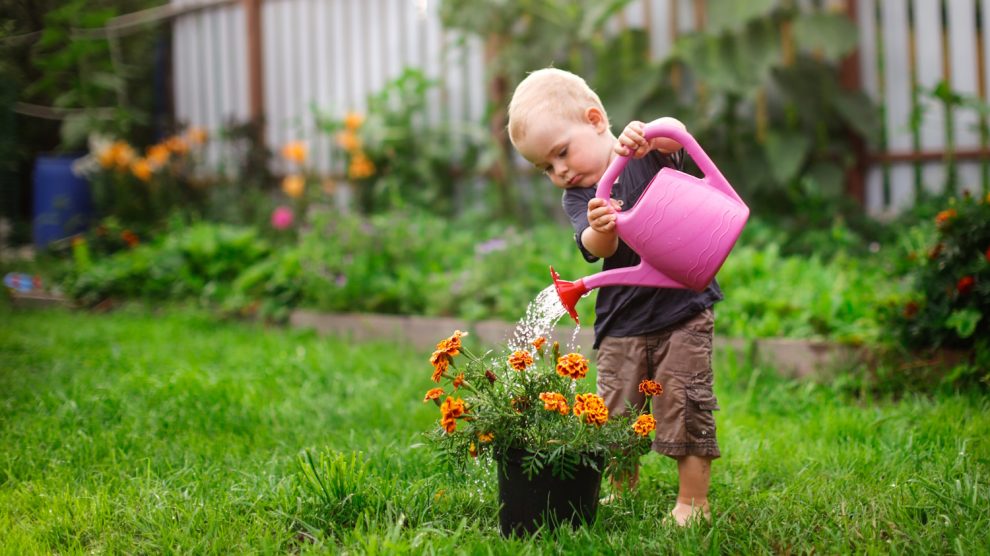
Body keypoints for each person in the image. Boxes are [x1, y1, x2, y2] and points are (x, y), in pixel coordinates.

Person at [506, 68, 723, 526]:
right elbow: (592, 246)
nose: (559, 170)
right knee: (615, 412)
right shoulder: (581, 196)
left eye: (561, 153)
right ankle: (624, 490)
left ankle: (692, 503)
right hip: (621, 318)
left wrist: (652, 134)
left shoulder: (643, 152)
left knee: (686, 402)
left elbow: (677, 136)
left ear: (595, 119)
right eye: (546, 167)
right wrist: (600, 227)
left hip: (681, 308)